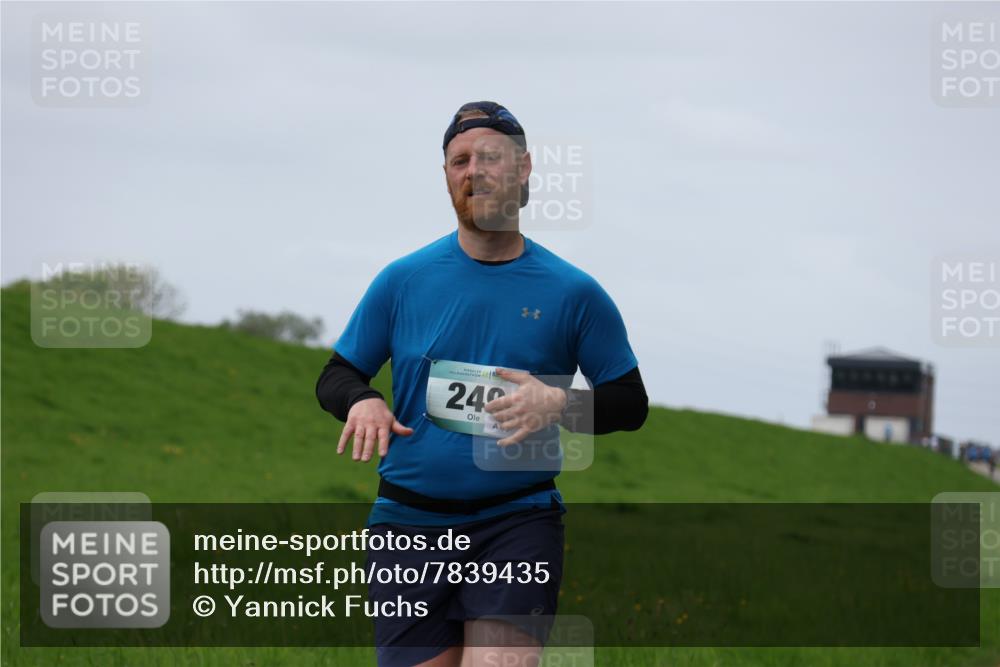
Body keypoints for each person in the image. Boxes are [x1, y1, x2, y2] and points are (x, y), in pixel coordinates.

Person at [316, 101, 648, 667]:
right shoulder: (403, 281)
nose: (474, 171)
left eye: (490, 157)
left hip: (516, 520)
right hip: (407, 525)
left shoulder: (573, 292)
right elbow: (337, 374)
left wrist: (560, 403)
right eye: (459, 161)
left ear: (524, 169)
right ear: (447, 176)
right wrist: (364, 399)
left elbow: (630, 402)